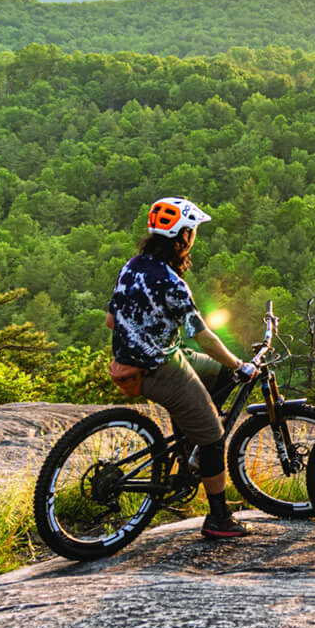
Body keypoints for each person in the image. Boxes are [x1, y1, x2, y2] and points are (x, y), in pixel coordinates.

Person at [106, 196, 257, 539]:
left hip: (129, 361)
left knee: (218, 375)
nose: (194, 238)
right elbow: (202, 337)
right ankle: (218, 519)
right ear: (182, 238)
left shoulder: (131, 266)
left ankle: (190, 446)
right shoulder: (173, 283)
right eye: (192, 232)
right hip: (159, 367)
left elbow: (111, 320)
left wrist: (146, 335)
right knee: (215, 435)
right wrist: (239, 363)